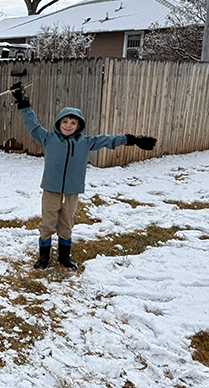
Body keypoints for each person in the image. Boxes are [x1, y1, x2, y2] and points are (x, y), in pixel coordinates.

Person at [11, 81, 156, 270]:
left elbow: (108, 139)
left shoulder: (85, 142)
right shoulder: (49, 139)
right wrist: (24, 104)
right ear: (58, 123)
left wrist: (132, 140)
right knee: (48, 222)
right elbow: (32, 125)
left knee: (66, 223)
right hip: (51, 189)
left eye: (73, 122)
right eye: (64, 121)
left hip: (72, 190)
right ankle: (43, 257)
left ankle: (64, 257)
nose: (68, 126)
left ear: (79, 125)